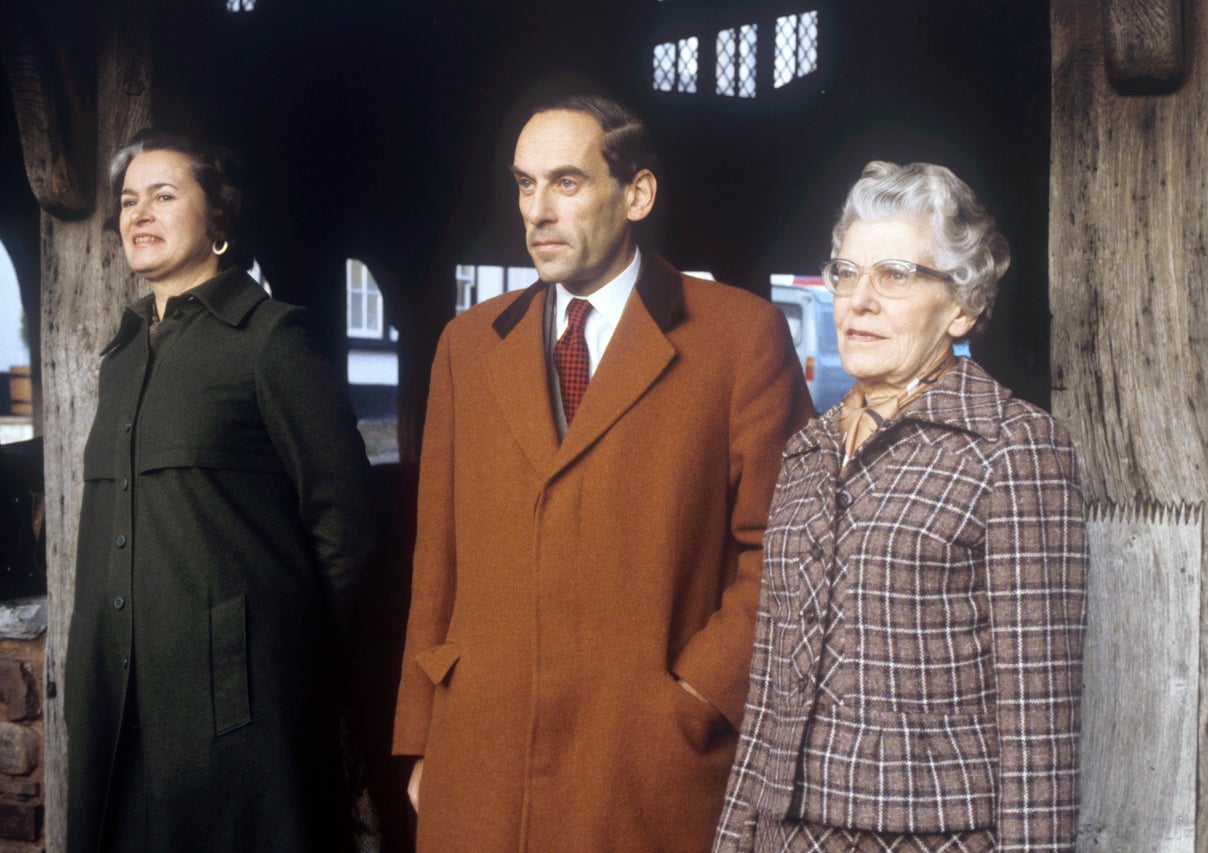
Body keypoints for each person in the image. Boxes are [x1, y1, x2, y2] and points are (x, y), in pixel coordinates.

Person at [392, 94, 814, 851]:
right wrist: (424, 735)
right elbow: (437, 559)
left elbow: (788, 551)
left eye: (566, 182)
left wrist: (696, 696)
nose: (537, 211)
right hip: (477, 761)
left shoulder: (738, 336)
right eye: (524, 184)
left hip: (643, 767)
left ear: (638, 194)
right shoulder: (468, 344)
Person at [715, 161, 1088, 852]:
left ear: (963, 305)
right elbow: (767, 692)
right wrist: (735, 839)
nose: (859, 300)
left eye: (895, 274)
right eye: (845, 273)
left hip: (930, 839)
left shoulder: (1012, 448)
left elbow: (1039, 723)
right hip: (787, 835)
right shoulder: (807, 451)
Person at [66, 128, 373, 852]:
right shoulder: (120, 357)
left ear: (221, 217)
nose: (138, 213)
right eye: (128, 200)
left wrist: (280, 661)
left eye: (164, 196)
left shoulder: (271, 342)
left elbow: (348, 532)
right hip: (119, 703)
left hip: (237, 713)